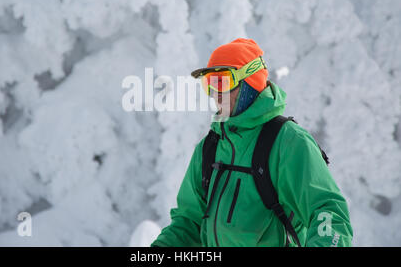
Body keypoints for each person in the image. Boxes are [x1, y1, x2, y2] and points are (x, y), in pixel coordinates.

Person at [151, 38, 353, 247]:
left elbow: (328, 212)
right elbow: (188, 223)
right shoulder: (209, 148)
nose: (215, 94)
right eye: (210, 83)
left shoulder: (288, 142)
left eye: (223, 82)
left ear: (250, 83)